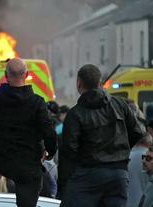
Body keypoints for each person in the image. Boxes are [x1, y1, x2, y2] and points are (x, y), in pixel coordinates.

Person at [0, 58, 57, 207]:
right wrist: (50, 151)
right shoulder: (37, 102)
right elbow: (48, 130)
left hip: (3, 157)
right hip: (29, 163)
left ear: (6, 76)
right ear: (26, 75)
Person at [60, 64, 145, 207]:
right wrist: (121, 151)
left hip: (87, 175)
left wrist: (65, 183)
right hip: (118, 175)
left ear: (78, 83)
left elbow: (69, 150)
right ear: (100, 82)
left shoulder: (75, 114)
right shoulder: (120, 105)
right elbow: (138, 132)